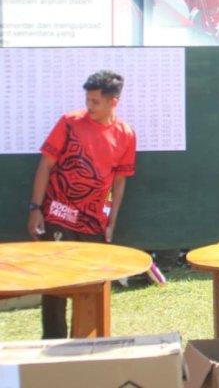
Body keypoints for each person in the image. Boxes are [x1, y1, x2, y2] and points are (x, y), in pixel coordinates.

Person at [27, 70, 136, 339]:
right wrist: (35, 209)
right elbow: (46, 164)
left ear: (113, 102)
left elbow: (119, 182)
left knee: (91, 288)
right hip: (58, 215)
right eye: (87, 100)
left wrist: (111, 222)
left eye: (95, 102)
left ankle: (86, 347)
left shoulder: (125, 134)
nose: (89, 107)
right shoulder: (69, 122)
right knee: (55, 287)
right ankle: (52, 346)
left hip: (93, 223)